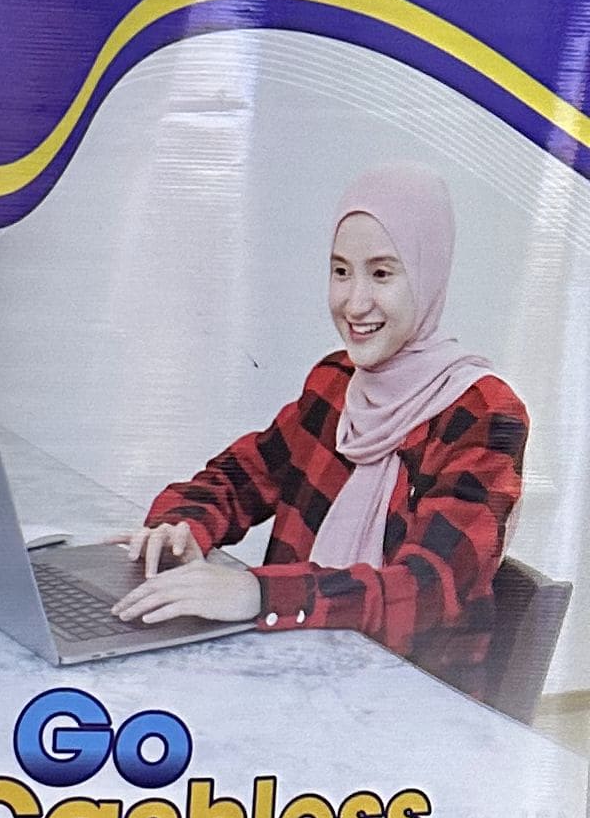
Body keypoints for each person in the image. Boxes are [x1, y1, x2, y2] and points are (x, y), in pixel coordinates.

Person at [110, 164, 528, 684]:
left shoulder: (485, 412)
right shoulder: (337, 383)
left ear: (427, 274)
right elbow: (239, 477)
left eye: (382, 274)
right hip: (293, 671)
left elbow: (427, 588)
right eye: (341, 271)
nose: (355, 302)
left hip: (408, 700)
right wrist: (181, 530)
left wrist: (259, 593)